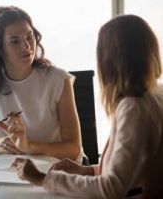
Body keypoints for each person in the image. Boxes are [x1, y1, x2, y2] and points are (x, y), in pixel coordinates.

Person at [11, 15, 163, 199]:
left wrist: (43, 179)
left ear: (109, 61)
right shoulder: (155, 93)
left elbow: (111, 189)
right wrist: (87, 171)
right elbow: (133, 171)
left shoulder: (133, 108)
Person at [0, 6, 83, 162]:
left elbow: (74, 149)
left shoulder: (58, 79)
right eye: (14, 41)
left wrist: (29, 147)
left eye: (29, 37)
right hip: (8, 169)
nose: (26, 46)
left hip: (54, 170)